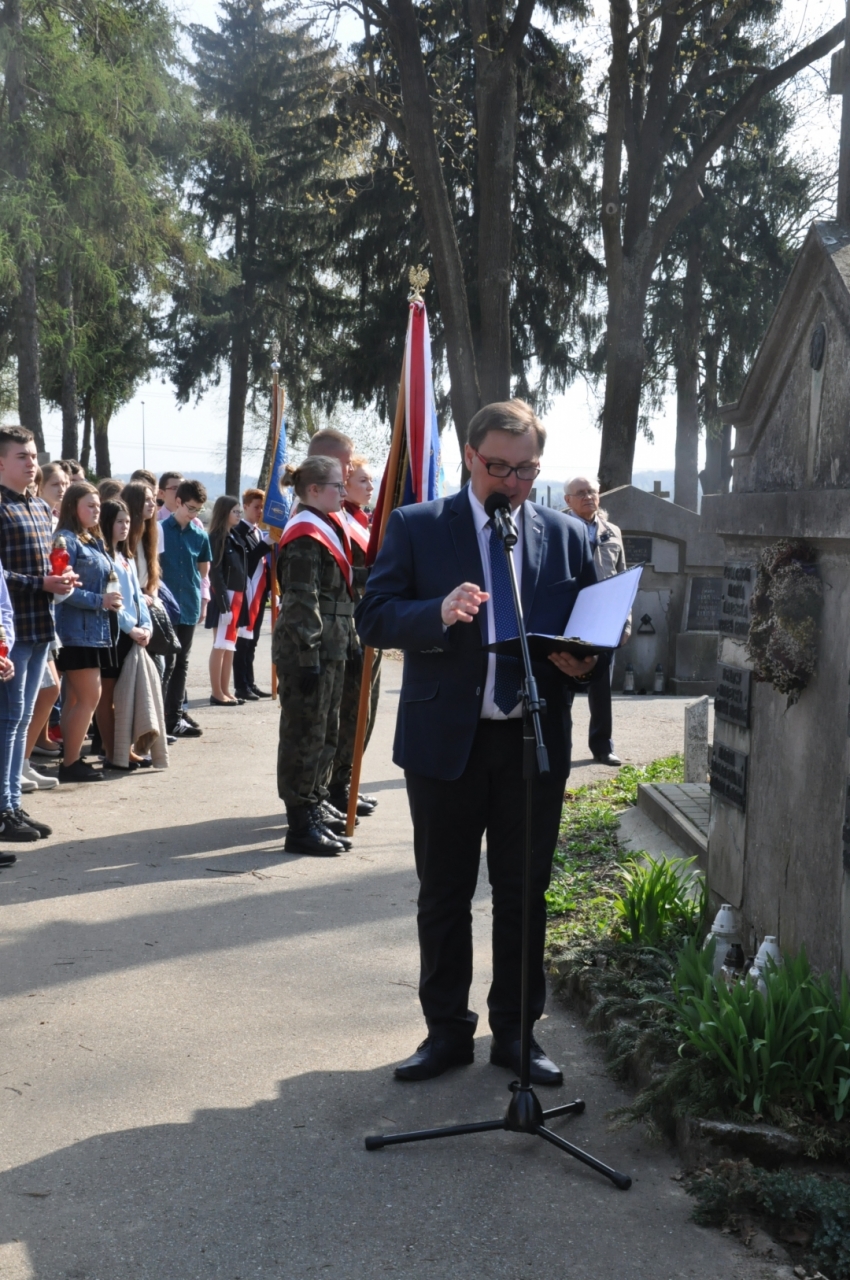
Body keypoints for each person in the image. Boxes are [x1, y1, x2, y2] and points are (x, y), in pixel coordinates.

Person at [356, 399, 603, 1086]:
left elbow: (591, 631)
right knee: (444, 893)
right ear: (469, 456)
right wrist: (436, 612)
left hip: (533, 741)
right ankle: (446, 1034)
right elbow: (373, 617)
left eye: (527, 470)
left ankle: (517, 1036)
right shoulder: (418, 526)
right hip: (446, 743)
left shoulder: (567, 535)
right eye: (499, 467)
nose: (513, 483)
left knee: (525, 894)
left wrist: (585, 662)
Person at [273, 456, 359, 856]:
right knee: (304, 733)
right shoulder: (305, 534)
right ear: (313, 490)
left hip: (332, 646)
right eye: (337, 486)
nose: (343, 492)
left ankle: (315, 800)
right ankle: (300, 821)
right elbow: (300, 599)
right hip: (309, 650)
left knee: (326, 730)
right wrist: (307, 653)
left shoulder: (325, 526)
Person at [0, 427, 78, 840]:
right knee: (8, 720)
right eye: (22, 456)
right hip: (11, 632)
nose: (32, 463)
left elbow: (44, 564)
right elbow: (1, 578)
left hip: (40, 626)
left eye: (33, 455)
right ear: (0, 462)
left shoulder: (37, 506)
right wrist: (40, 583)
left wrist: (61, 577)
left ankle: (12, 803)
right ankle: (3, 808)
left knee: (23, 718)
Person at [303, 430, 378, 818]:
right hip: (334, 634)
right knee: (328, 721)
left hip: (358, 626)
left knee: (359, 711)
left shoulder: (350, 517)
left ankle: (339, 784)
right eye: (349, 466)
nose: (351, 473)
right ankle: (320, 797)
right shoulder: (315, 519)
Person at [53, 482, 123, 783]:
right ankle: (70, 762)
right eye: (90, 506)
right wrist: (100, 601)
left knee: (75, 699)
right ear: (73, 507)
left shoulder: (91, 539)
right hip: (76, 631)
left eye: (98, 506)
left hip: (94, 630)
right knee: (89, 697)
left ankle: (71, 759)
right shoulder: (66, 540)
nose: (96, 511)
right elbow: (62, 589)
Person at [563, 476, 631, 767]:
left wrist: (625, 622)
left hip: (604, 620)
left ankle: (602, 747)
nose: (588, 496)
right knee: (563, 686)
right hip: (568, 618)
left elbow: (624, 579)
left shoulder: (612, 531)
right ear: (567, 500)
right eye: (580, 493)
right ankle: (559, 747)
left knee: (601, 687)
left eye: (591, 491)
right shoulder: (557, 528)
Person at [21, 463, 71, 788]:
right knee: (27, 697)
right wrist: (46, 582)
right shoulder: (27, 515)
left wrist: (63, 581)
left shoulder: (48, 518)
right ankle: (15, 765)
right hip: (22, 617)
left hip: (43, 615)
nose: (62, 489)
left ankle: (21, 762)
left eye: (65, 483)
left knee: (48, 690)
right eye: (55, 484)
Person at [95, 499, 153, 769]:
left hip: (133, 634)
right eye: (119, 521)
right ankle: (111, 751)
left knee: (126, 695)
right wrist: (132, 628)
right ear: (107, 522)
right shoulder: (104, 557)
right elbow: (113, 601)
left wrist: (147, 626)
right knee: (107, 696)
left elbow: (138, 598)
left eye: (128, 521)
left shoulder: (125, 557)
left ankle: (124, 749)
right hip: (115, 634)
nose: (125, 526)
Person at [158, 479, 212, 739]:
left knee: (181, 663)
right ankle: (158, 717)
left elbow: (203, 572)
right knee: (165, 662)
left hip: (188, 603)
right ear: (177, 502)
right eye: (190, 508)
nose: (193, 514)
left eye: (198, 510)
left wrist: (203, 601)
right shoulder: (159, 530)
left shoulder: (200, 535)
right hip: (164, 606)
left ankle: (175, 717)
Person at [206, 495, 247, 706]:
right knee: (220, 645)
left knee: (230, 645)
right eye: (235, 511)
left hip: (237, 596)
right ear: (224, 512)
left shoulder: (234, 536)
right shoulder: (217, 537)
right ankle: (216, 692)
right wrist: (223, 604)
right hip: (225, 597)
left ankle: (225, 689)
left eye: (240, 511)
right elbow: (216, 573)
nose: (239, 515)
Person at [232, 488, 272, 702]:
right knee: (242, 641)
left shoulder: (258, 532)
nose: (260, 512)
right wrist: (266, 545)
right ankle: (241, 685)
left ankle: (250, 682)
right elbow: (246, 562)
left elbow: (264, 565)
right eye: (256, 507)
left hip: (259, 592)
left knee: (253, 640)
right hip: (245, 592)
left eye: (263, 508)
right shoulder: (238, 531)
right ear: (245, 506)